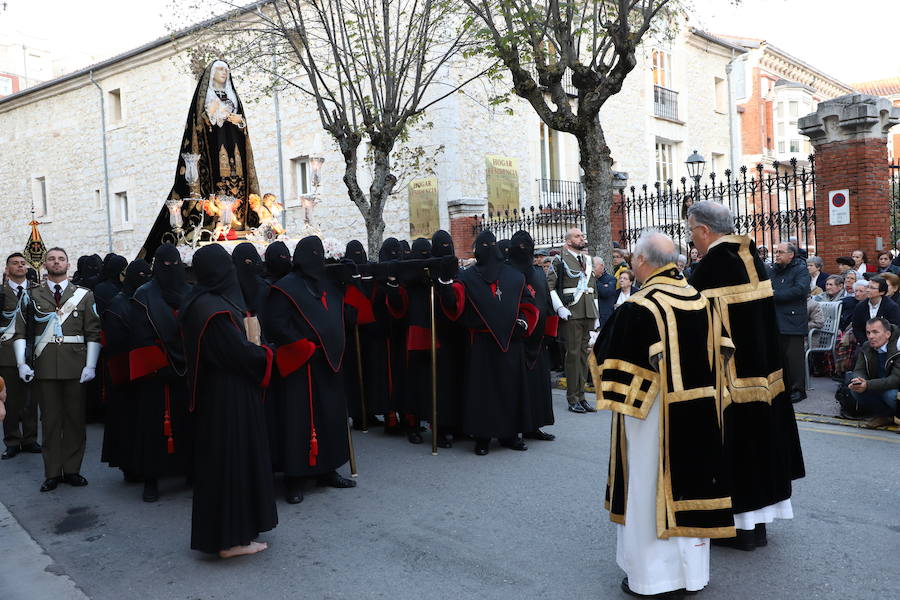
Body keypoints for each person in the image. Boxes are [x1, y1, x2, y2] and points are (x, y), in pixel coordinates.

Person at [592, 229, 734, 598]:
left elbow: (609, 363)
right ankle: (692, 575)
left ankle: (653, 579)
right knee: (693, 484)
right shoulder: (699, 300)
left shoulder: (640, 307)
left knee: (648, 486)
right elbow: (724, 351)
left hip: (655, 418)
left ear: (640, 261)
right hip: (701, 411)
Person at [687, 202, 804, 551]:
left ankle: (737, 529)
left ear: (705, 230)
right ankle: (758, 527)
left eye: (692, 230)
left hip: (728, 380)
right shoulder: (752, 258)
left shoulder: (712, 267)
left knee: (737, 451)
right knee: (761, 446)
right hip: (765, 375)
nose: (691, 239)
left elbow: (694, 326)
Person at [179, 244, 277, 558]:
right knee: (231, 462)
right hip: (227, 396)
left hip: (223, 393)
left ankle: (234, 533)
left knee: (229, 461)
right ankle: (230, 540)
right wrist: (267, 354)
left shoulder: (204, 301)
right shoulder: (212, 310)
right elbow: (235, 353)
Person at [265, 236, 359, 504]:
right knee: (299, 421)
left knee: (330, 416)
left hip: (328, 361)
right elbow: (276, 324)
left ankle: (327, 470)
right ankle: (294, 479)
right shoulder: (284, 288)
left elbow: (340, 315)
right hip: (301, 364)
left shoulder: (328, 284)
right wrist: (304, 344)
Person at [140, 60, 261, 258]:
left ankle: (239, 223)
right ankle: (214, 223)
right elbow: (201, 124)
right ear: (211, 74)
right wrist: (213, 113)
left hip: (235, 150)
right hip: (213, 151)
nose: (224, 72)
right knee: (216, 186)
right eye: (220, 69)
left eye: (226, 69)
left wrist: (237, 120)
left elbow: (242, 124)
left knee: (238, 185)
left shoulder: (233, 96)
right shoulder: (206, 97)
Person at [436, 230, 537, 455]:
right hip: (480, 342)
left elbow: (527, 304)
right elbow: (455, 302)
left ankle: (510, 435)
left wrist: (522, 321)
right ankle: (482, 437)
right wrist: (444, 282)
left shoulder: (514, 276)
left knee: (510, 389)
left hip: (510, 341)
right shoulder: (467, 277)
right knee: (483, 393)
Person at [13, 247, 102, 492]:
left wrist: (91, 365)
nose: (56, 262)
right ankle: (52, 472)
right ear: (45, 265)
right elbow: (20, 331)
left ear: (68, 264)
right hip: (44, 367)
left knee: (75, 420)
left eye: (61, 258)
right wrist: (22, 363)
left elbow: (93, 332)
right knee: (50, 421)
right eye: (51, 259)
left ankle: (72, 470)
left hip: (75, 367)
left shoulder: (84, 295)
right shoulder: (31, 295)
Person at [129, 245, 193, 502]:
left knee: (189, 424)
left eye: (174, 263)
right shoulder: (143, 295)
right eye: (165, 264)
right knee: (153, 427)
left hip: (188, 371)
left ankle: (190, 469)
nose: (171, 268)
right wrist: (160, 364)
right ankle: (151, 479)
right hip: (157, 371)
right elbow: (139, 334)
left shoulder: (189, 291)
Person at [509, 230, 556, 442]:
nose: (523, 250)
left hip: (538, 340)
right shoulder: (507, 272)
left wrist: (549, 332)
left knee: (537, 386)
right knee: (517, 387)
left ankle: (534, 425)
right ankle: (513, 429)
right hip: (515, 339)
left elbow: (545, 301)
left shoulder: (538, 273)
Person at [547, 228, 598, 414]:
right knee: (574, 354)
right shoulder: (559, 260)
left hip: (587, 312)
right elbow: (550, 286)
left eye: (582, 235)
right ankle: (573, 398)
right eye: (578, 236)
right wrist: (560, 308)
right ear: (568, 241)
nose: (582, 238)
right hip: (572, 311)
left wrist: (596, 315)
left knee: (584, 355)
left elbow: (594, 289)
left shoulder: (587, 260)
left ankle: (582, 396)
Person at [1, 253, 40, 459]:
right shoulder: (1, 292)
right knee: (10, 399)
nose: (19, 266)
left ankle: (30, 439)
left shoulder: (37, 291)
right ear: (7, 269)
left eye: (22, 263)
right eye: (14, 263)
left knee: (30, 399)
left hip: (32, 351)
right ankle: (12, 441)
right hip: (6, 353)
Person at [768, 242, 810, 402]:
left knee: (794, 359)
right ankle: (782, 387)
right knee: (778, 357)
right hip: (775, 319)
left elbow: (800, 290)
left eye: (780, 252)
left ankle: (798, 390)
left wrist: (774, 294)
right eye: (776, 251)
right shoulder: (773, 270)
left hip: (793, 320)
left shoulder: (800, 269)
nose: (776, 255)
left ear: (791, 254)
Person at [845, 317, 900, 429]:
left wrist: (868, 385)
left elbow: (896, 380)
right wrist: (859, 381)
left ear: (888, 334)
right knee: (856, 390)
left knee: (891, 395)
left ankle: (897, 416)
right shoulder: (866, 346)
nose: (871, 336)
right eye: (868, 332)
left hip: (895, 388)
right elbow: (859, 369)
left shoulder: (898, 347)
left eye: (875, 332)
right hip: (878, 385)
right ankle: (885, 416)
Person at [850, 275, 900, 345]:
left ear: (882, 292)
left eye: (872, 288)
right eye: (867, 287)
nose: (868, 290)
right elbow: (856, 327)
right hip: (865, 343)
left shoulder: (891, 307)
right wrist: (866, 343)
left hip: (887, 344)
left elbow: (894, 328)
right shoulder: (860, 306)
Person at [593, 256, 617, 329]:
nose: (592, 269)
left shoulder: (611, 279)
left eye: (594, 266)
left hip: (604, 317)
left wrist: (594, 281)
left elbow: (606, 292)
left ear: (602, 266)